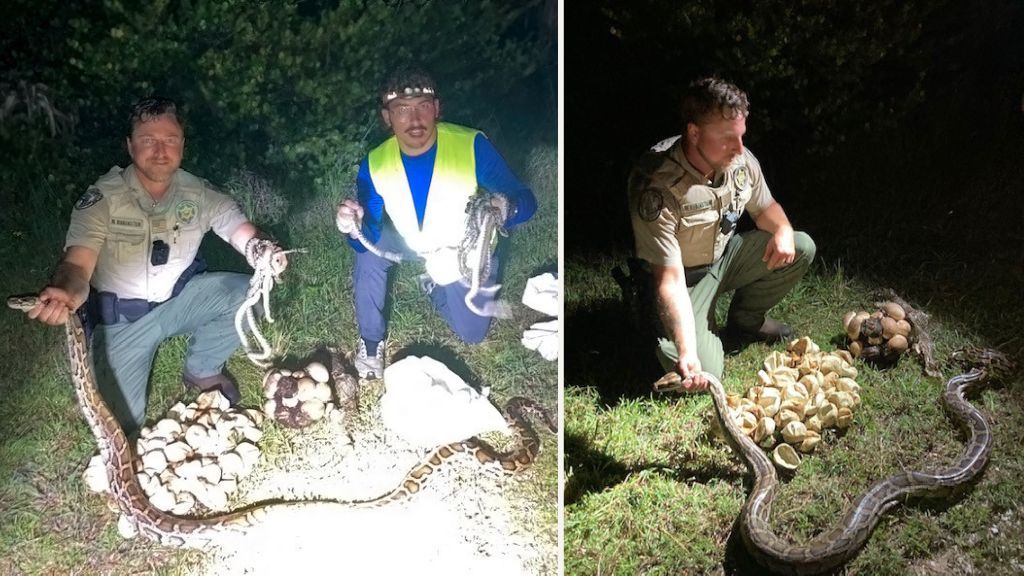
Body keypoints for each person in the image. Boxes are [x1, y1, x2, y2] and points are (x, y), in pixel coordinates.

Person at [24, 96, 288, 435]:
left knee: (242, 291)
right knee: (121, 428)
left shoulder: (199, 193)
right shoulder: (101, 199)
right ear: (130, 146)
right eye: (148, 141)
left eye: (170, 140)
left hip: (178, 302)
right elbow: (76, 266)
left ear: (182, 145)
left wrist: (262, 251)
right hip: (123, 322)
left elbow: (239, 229)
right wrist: (65, 292)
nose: (160, 150)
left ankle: (203, 370)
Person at [336, 65, 537, 379]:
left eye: (423, 107)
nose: (414, 120)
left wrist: (505, 207)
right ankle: (371, 342)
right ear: (387, 117)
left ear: (437, 109)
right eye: (402, 110)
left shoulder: (471, 145)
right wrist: (355, 226)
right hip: (412, 240)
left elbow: (526, 201)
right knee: (368, 255)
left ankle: (433, 284)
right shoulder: (374, 163)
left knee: (472, 333)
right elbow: (368, 235)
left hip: (463, 250)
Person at [627, 77, 816, 391]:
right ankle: (665, 321)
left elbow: (766, 206)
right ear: (694, 132)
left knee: (801, 245)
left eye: (741, 136)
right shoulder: (656, 186)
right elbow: (669, 279)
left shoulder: (738, 160)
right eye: (728, 138)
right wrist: (687, 351)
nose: (739, 148)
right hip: (681, 279)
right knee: (703, 370)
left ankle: (746, 320)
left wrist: (782, 228)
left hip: (722, 260)